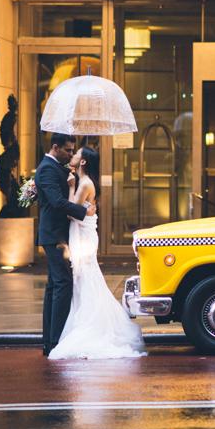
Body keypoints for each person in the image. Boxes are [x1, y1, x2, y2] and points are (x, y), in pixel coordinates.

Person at [48, 146, 146, 360]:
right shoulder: (85, 181)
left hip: (83, 236)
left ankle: (89, 323)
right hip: (82, 234)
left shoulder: (84, 184)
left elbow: (72, 212)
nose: (72, 155)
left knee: (85, 276)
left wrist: (72, 186)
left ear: (83, 162)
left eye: (76, 154)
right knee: (83, 277)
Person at [36, 133, 94, 357]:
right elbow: (57, 202)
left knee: (54, 287)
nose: (71, 154)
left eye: (73, 151)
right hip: (55, 236)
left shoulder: (55, 167)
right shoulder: (47, 169)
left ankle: (50, 342)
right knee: (62, 285)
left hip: (57, 235)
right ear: (55, 147)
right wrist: (84, 211)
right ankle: (55, 341)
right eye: (68, 150)